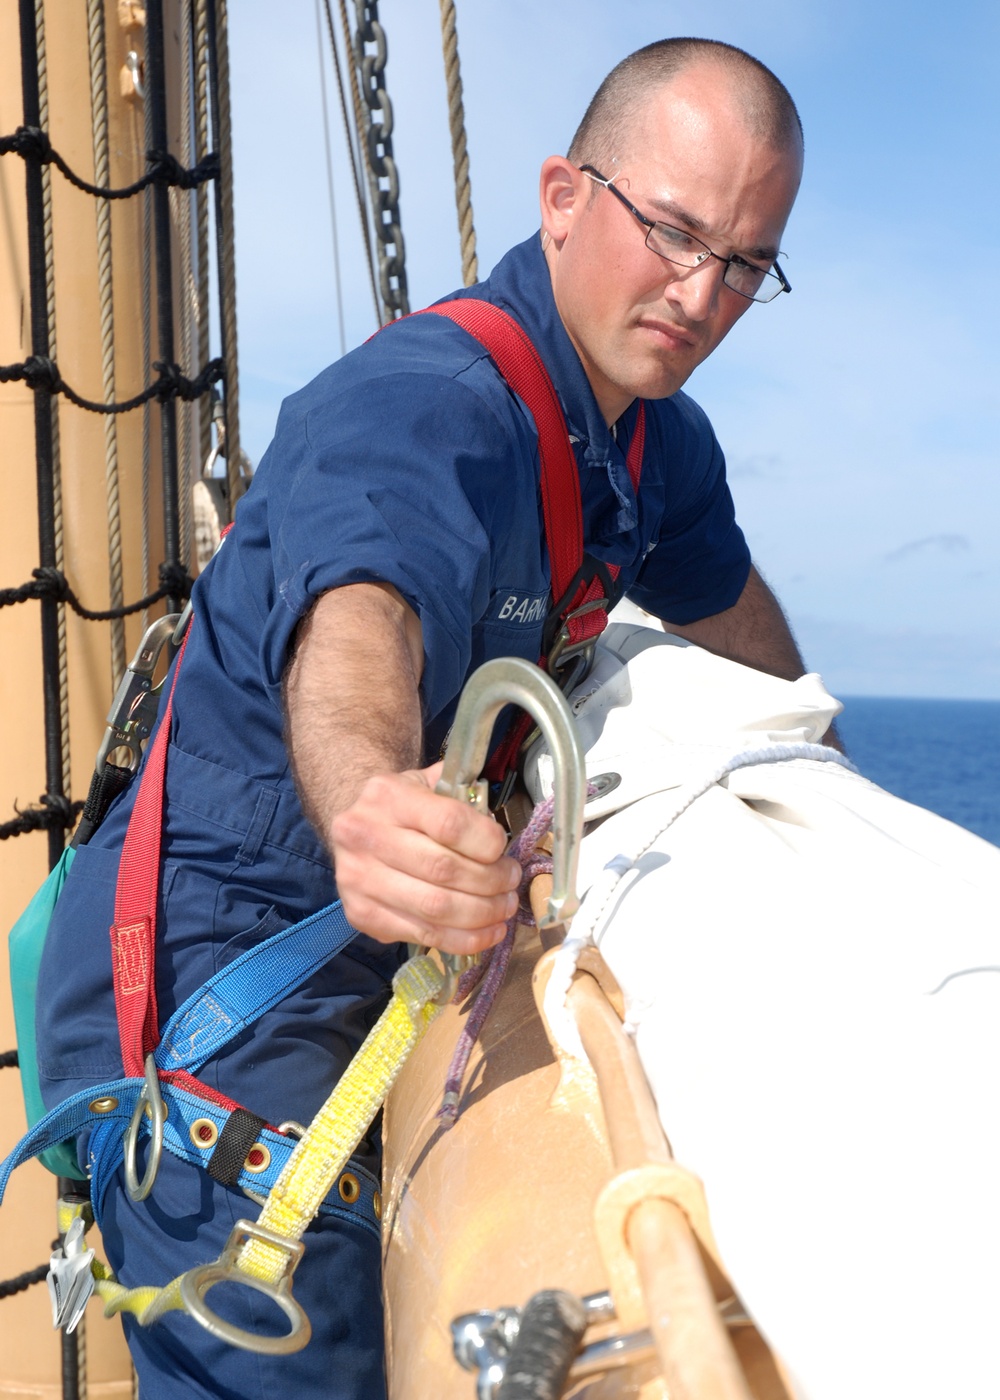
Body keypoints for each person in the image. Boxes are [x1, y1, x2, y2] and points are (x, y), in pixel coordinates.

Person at [34, 35, 813, 1400]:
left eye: (744, 262)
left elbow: (733, 614)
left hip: (375, 960)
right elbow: (356, 630)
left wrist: (819, 774)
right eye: (675, 232)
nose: (701, 294)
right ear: (563, 196)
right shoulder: (425, 406)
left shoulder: (651, 441)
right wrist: (372, 802)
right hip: (226, 1003)